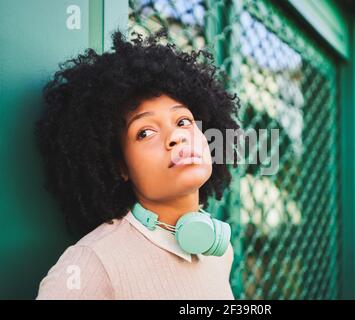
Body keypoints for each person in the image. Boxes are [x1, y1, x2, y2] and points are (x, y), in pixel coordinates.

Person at [34, 28, 240, 299]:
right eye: (145, 132)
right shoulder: (90, 264)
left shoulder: (220, 252)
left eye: (183, 122)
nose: (176, 137)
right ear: (120, 166)